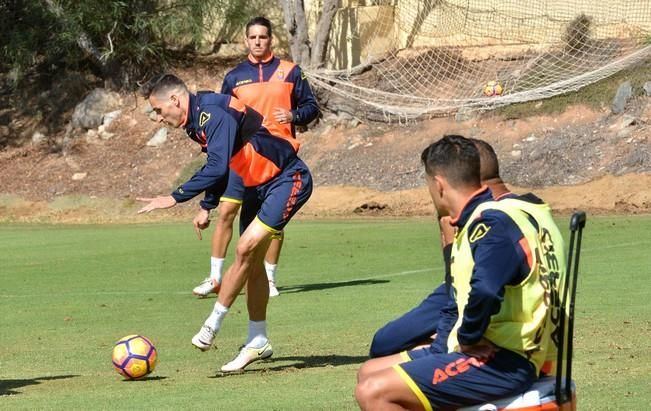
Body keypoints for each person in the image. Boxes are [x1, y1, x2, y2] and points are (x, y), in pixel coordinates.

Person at [355, 135, 566, 410]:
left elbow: (485, 289)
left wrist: (468, 338)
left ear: (439, 184)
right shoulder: (521, 211)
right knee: (368, 371)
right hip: (520, 348)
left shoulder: (491, 222)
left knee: (373, 392)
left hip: (509, 358)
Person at [137, 73, 313, 372]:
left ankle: (212, 324)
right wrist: (207, 206)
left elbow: (218, 167)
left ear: (174, 100)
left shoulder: (212, 114)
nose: (158, 118)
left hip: (287, 178)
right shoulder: (195, 123)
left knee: (244, 248)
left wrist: (175, 197)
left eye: (157, 110)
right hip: (254, 186)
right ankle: (257, 340)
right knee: (251, 263)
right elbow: (223, 162)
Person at [192, 16, 319, 299]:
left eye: (263, 36)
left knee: (271, 221)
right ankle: (215, 277)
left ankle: (269, 278)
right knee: (226, 212)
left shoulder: (290, 71)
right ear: (246, 41)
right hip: (242, 157)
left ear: (270, 39)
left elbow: (312, 108)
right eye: (253, 37)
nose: (258, 41)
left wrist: (293, 115)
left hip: (276, 158)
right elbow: (221, 117)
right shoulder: (234, 77)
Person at [369, 137, 511, 358]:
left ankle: (444, 349)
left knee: (383, 345)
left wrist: (448, 236)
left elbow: (460, 284)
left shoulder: (485, 216)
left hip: (468, 293)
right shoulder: (524, 207)